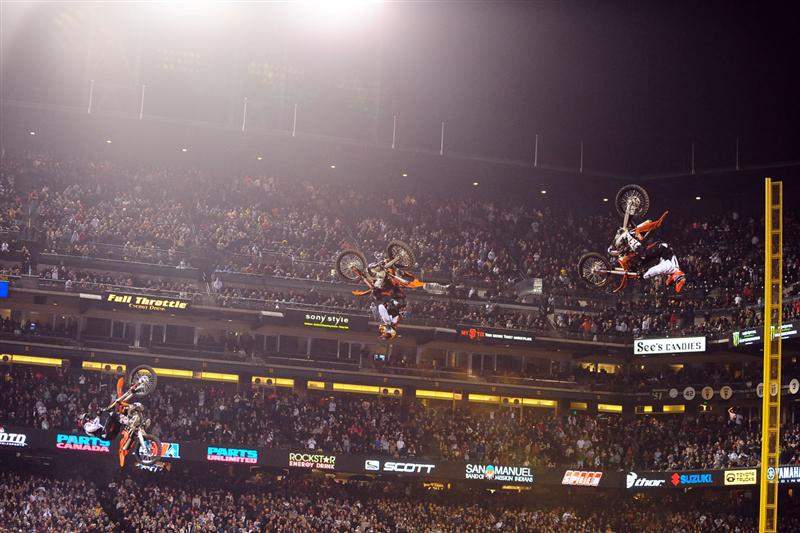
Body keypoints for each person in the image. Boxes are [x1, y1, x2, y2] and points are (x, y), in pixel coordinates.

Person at [609, 227, 686, 293]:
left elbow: (663, 274)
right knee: (643, 254)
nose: (669, 280)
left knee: (641, 263)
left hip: (660, 253)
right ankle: (627, 236)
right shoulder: (670, 267)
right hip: (661, 248)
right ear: (676, 276)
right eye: (674, 280)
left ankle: (628, 256)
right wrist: (644, 276)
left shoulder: (673, 269)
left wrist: (640, 271)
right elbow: (655, 270)